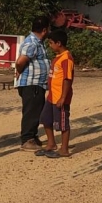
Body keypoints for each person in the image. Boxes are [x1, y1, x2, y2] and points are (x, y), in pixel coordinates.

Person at [37, 30, 75, 158]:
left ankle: (64, 149)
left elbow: (67, 79)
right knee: (45, 118)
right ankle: (51, 143)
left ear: (58, 43)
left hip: (60, 97)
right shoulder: (57, 57)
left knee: (63, 123)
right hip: (52, 97)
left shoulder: (66, 59)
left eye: (51, 43)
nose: (50, 45)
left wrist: (63, 97)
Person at [15, 16, 51, 151]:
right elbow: (20, 61)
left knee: (36, 110)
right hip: (31, 84)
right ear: (44, 30)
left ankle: (33, 137)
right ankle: (27, 139)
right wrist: (19, 70)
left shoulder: (38, 42)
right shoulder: (32, 43)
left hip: (37, 84)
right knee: (31, 112)